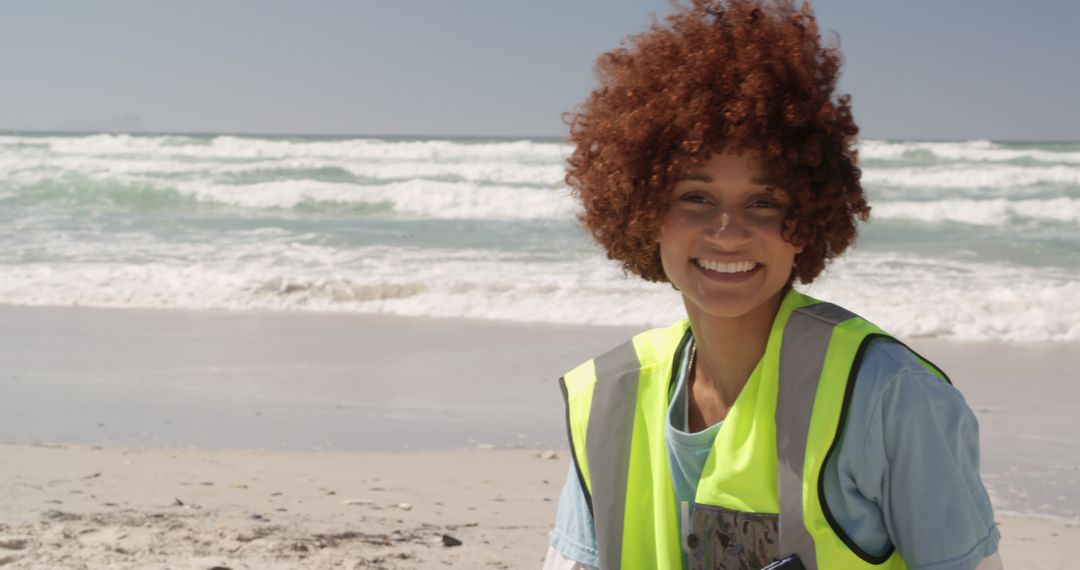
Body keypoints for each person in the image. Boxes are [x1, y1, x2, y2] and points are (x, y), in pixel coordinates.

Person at [543, 1, 1002, 569]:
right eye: (695, 197)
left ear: (807, 220)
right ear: (642, 211)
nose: (728, 233)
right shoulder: (606, 398)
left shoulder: (892, 397)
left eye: (764, 201)